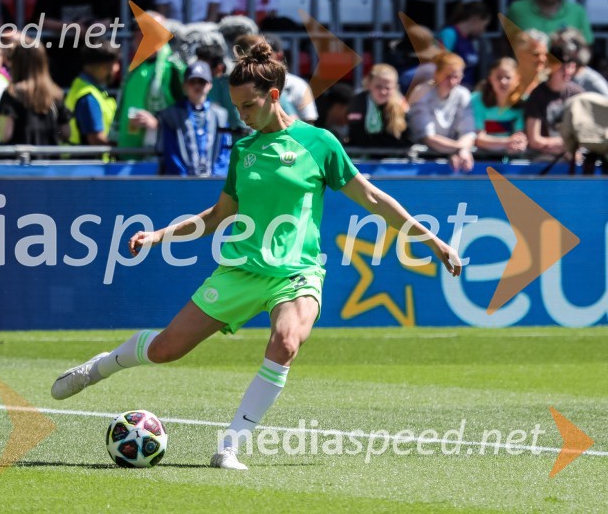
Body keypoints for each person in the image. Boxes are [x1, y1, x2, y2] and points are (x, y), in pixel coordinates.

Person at [49, 41, 462, 470]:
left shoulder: (319, 143)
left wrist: (433, 241)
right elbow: (218, 215)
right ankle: (100, 367)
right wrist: (160, 235)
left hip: (297, 273)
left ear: (274, 96)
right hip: (242, 269)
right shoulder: (243, 151)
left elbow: (374, 199)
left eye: (248, 106)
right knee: (167, 350)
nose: (242, 116)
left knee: (286, 342)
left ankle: (229, 445)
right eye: (236, 107)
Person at [139, 60, 232, 175]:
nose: (197, 86)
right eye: (192, 81)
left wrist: (215, 178)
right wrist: (184, 181)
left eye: (202, 82)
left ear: (210, 85)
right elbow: (170, 153)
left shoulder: (220, 115)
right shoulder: (170, 115)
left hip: (212, 184)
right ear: (184, 85)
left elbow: (225, 153)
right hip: (181, 185)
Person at [115, 13, 186, 149]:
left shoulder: (173, 68)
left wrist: (157, 123)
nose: (139, 36)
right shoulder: (134, 68)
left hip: (160, 153)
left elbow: (186, 110)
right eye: (138, 30)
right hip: (128, 151)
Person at [407, 52, 476, 172]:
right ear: (436, 74)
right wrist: (460, 148)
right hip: (421, 160)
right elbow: (428, 137)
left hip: (455, 155)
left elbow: (468, 132)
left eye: (456, 77)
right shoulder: (421, 93)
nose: (452, 82)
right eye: (447, 76)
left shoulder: (463, 94)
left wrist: (463, 150)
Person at [0, 40, 70, 145]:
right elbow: (65, 132)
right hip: (49, 159)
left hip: (20, 159)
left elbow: (5, 135)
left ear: (17, 62)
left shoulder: (12, 93)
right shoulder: (56, 94)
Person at [524, 43, 584, 157]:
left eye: (571, 66)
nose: (567, 71)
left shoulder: (578, 94)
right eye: (562, 66)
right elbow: (534, 140)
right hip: (543, 158)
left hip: (572, 158)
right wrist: (568, 144)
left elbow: (585, 136)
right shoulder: (537, 95)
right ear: (550, 66)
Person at [64, 41, 120, 146]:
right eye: (115, 64)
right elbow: (96, 140)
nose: (117, 69)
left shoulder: (83, 88)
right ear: (103, 68)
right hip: (88, 161)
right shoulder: (89, 98)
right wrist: (124, 148)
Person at [470, 58, 528, 156]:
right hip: (480, 158)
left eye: (508, 77)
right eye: (498, 77)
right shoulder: (476, 100)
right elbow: (478, 139)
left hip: (510, 157)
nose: (503, 81)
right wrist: (508, 141)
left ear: (517, 79)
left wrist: (519, 142)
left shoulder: (523, 102)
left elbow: (519, 135)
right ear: (490, 78)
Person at [347, 64, 410, 149]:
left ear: (395, 87)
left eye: (387, 88)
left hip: (393, 157)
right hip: (364, 156)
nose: (383, 92)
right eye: (378, 87)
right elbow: (356, 134)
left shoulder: (401, 105)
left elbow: (403, 138)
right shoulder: (358, 101)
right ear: (369, 85)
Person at [437, 1, 491, 88]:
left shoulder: (470, 40)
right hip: (452, 90)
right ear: (475, 19)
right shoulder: (449, 34)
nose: (483, 30)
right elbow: (441, 63)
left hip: (468, 91)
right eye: (484, 25)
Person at [550, 28, 608, 96]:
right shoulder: (552, 78)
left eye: (560, 50)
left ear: (575, 52)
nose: (556, 55)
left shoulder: (593, 82)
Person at [510, 29, 549, 99]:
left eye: (545, 54)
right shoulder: (505, 82)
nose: (542, 59)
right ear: (519, 54)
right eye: (536, 54)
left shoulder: (549, 83)